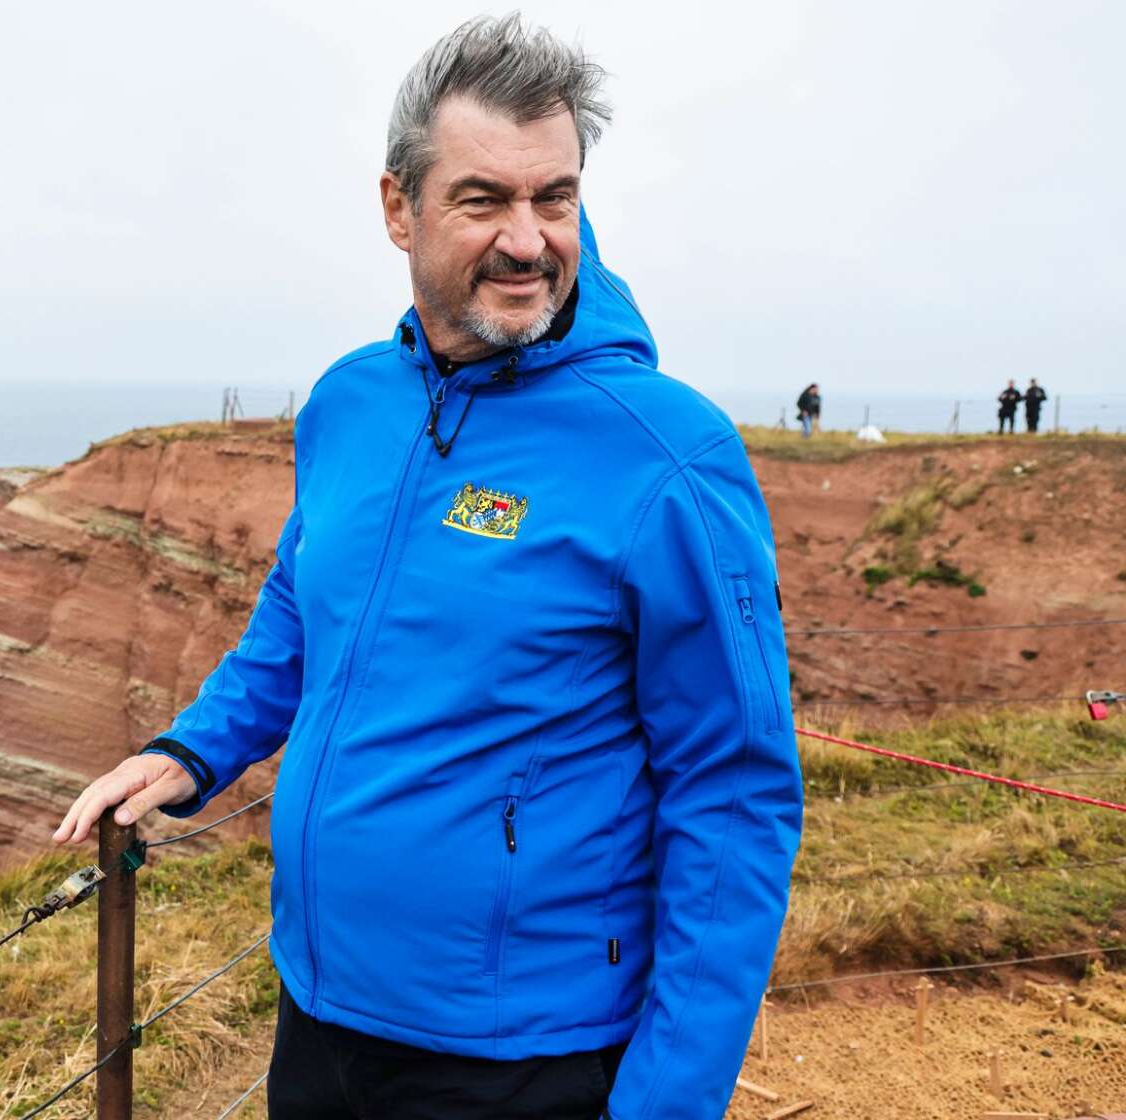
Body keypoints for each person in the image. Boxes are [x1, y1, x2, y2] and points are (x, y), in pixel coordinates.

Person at [53, 16, 802, 1120]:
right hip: (319, 1011)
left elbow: (734, 796)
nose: (528, 239)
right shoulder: (352, 400)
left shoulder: (665, 455)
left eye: (556, 198)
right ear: (398, 206)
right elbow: (301, 613)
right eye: (483, 199)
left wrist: (667, 1105)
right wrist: (193, 748)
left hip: (519, 1060)